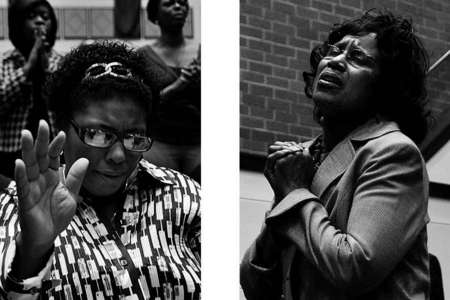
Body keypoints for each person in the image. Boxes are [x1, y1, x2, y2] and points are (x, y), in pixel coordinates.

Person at [241, 10, 430, 300]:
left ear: (385, 88)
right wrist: (284, 203)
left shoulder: (394, 152)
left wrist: (294, 193)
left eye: (358, 59)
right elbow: (255, 283)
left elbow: (354, 267)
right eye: (335, 51)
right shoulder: (305, 156)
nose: (336, 61)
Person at [0, 41, 201, 299]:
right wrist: (31, 252)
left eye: (134, 136)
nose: (119, 155)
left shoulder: (183, 196)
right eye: (98, 134)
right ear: (61, 126)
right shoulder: (16, 207)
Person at [138, 0, 201, 183]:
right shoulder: (144, 56)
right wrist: (180, 85)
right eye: (168, 3)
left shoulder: (202, 51)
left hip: (198, 142)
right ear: (154, 15)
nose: (177, 7)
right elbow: (142, 104)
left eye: (182, 2)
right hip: (159, 144)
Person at [0, 0, 61, 179]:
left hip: (54, 151)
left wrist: (46, 68)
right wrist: (28, 67)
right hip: (9, 153)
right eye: (31, 16)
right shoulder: (4, 63)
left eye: (45, 16)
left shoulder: (62, 62)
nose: (40, 21)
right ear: (18, 24)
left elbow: (68, 104)